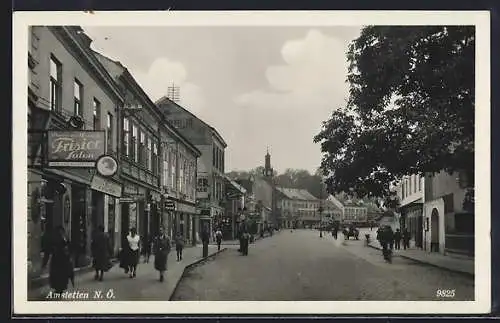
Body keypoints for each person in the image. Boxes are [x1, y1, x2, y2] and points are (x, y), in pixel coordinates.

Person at [42, 226, 74, 294]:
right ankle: (60, 288)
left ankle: (59, 288)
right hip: (60, 260)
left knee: (59, 275)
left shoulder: (62, 239)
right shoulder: (61, 239)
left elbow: (68, 248)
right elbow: (68, 248)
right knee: (59, 275)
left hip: (59, 260)